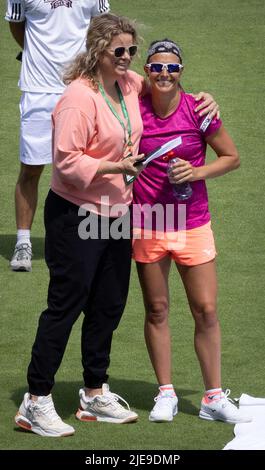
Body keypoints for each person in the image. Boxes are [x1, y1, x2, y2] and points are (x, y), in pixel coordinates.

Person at [14, 16, 219, 437]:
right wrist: (115, 165)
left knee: (108, 304)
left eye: (131, 51)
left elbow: (166, 90)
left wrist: (203, 99)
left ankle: (93, 392)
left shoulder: (128, 85)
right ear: (97, 53)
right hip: (77, 214)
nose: (127, 58)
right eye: (118, 51)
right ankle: (35, 401)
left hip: (119, 213)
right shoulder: (77, 98)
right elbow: (66, 161)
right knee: (66, 304)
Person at [132, 39, 252, 424]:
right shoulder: (133, 108)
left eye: (172, 68)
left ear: (181, 71)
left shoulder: (199, 109)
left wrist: (197, 172)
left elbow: (231, 157)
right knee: (157, 309)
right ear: (146, 70)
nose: (164, 74)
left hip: (192, 222)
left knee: (206, 310)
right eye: (157, 67)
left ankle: (213, 396)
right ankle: (165, 392)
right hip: (149, 222)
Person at [5, 0, 110, 272]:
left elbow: (102, 27)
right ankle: (23, 242)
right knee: (31, 168)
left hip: (80, 86)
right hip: (37, 89)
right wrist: (34, 54)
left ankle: (90, 236)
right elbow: (17, 25)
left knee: (89, 164)